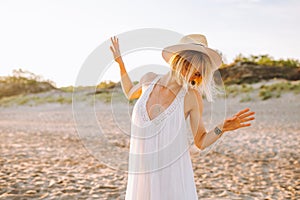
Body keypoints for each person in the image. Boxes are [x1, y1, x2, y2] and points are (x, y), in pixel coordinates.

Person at [110, 34, 255, 200]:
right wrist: (121, 64)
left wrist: (221, 128)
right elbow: (129, 92)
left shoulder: (191, 97)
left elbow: (200, 141)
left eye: (199, 74)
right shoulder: (148, 80)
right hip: (142, 176)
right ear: (180, 61)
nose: (195, 77)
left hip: (171, 179)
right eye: (194, 69)